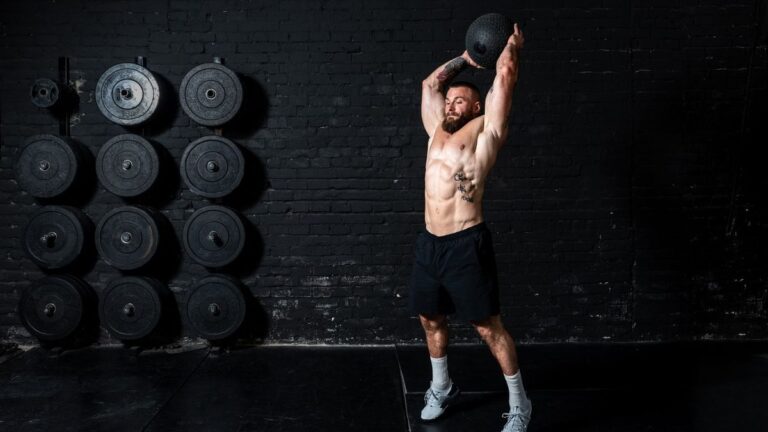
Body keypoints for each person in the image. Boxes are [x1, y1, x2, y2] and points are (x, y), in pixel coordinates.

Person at [410, 24, 531, 432]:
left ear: (476, 108)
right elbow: (429, 84)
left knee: (486, 327)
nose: (452, 103)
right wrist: (468, 59)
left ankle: (519, 404)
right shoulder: (434, 134)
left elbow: (505, 80)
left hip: (466, 243)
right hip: (430, 244)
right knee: (430, 319)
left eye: (461, 100)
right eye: (451, 99)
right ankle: (442, 387)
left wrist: (509, 48)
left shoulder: (485, 134)